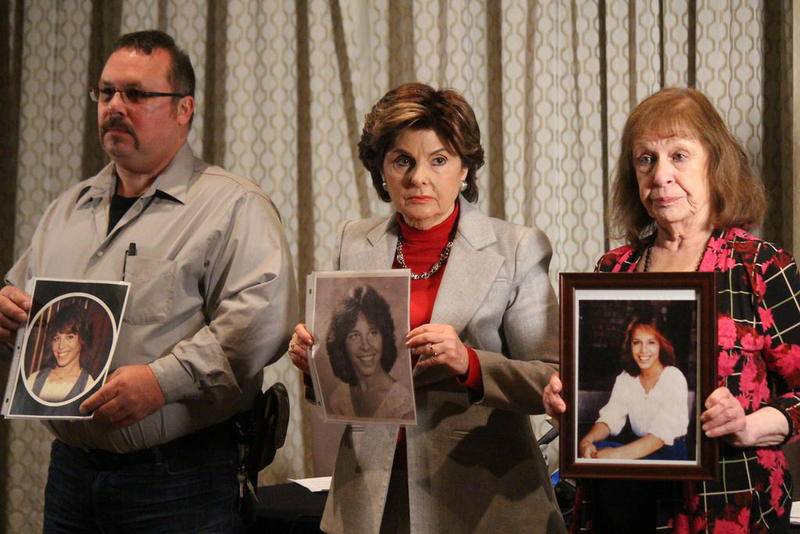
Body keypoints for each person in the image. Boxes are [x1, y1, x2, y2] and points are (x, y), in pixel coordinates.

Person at [0, 30, 296, 532]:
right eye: (106, 92)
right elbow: (21, 297)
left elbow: (259, 326)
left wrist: (162, 383)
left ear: (184, 109)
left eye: (136, 94)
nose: (115, 106)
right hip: (72, 474)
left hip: (180, 481)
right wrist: (7, 310)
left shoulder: (233, 206)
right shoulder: (67, 209)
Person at [289, 83, 565, 533]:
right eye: (403, 160)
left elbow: (550, 380)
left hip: (483, 495)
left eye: (438, 160)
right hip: (372, 494)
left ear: (464, 170)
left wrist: (470, 363)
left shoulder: (516, 247)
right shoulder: (352, 241)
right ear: (381, 170)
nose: (419, 177)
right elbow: (342, 387)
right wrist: (313, 363)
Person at [544, 87, 800, 532]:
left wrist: (750, 425)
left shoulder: (761, 266)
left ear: (714, 165)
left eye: (679, 156)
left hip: (727, 506)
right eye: (646, 159)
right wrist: (563, 404)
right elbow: (599, 404)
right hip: (617, 509)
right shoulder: (612, 268)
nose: (660, 175)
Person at [579, 314, 689, 461]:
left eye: (651, 342)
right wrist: (587, 442)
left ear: (661, 345)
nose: (643, 351)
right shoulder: (626, 379)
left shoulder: (673, 378)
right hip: (638, 448)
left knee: (606, 458)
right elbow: (610, 418)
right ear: (629, 345)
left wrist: (616, 455)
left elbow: (659, 437)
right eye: (636, 342)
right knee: (596, 450)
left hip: (669, 453)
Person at [325, 285, 414, 420]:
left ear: (384, 337)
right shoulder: (339, 397)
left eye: (373, 333)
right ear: (342, 344)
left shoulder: (401, 402)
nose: (366, 346)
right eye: (354, 336)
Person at [27, 303, 97, 402]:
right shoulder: (34, 380)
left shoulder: (88, 386)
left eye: (70, 337)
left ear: (83, 340)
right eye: (56, 338)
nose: (60, 346)